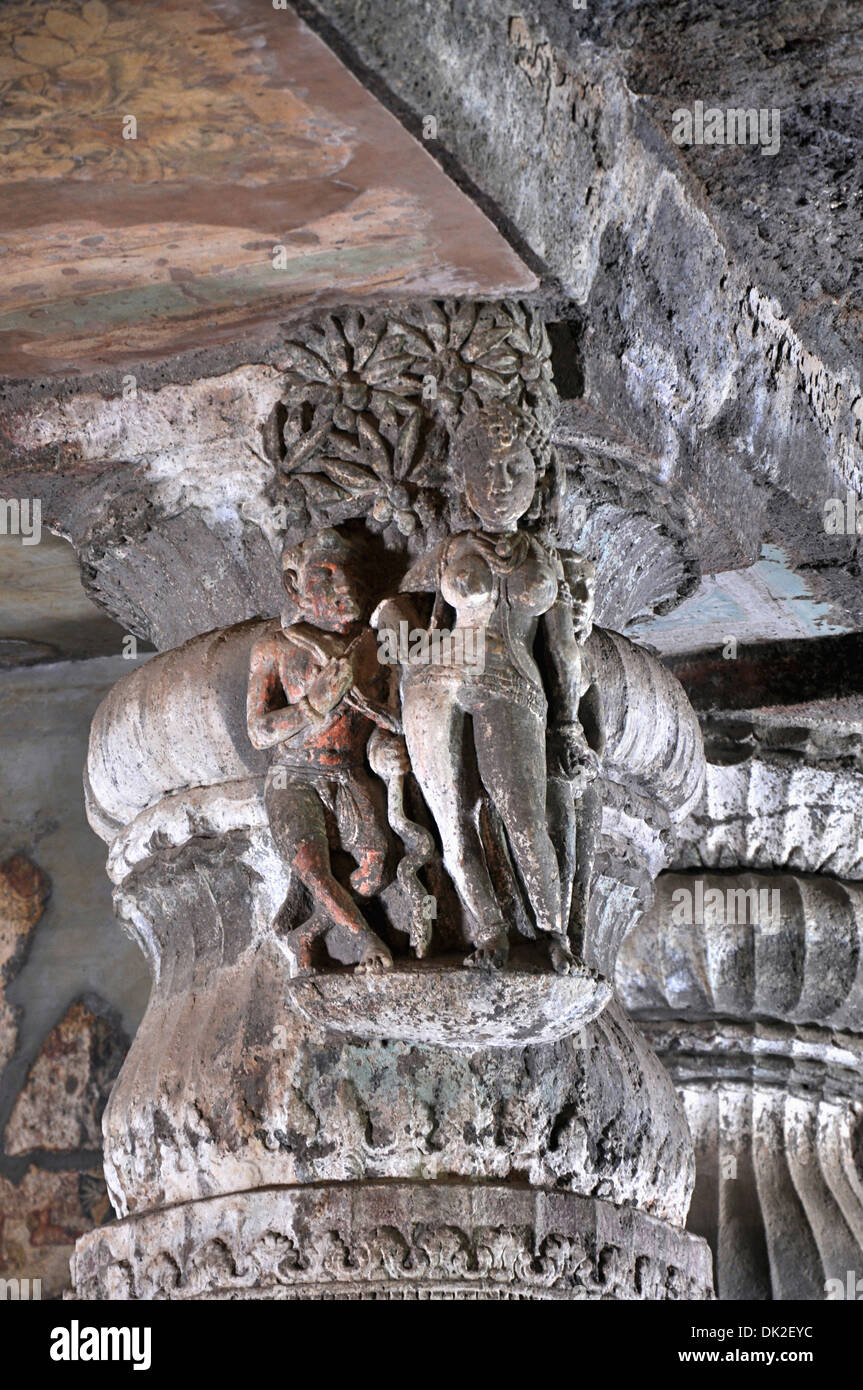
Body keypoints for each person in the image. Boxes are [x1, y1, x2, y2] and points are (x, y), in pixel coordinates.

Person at [390, 403, 594, 973]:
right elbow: (398, 606)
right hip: (438, 678)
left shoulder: (545, 559)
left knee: (522, 815)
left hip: (512, 682)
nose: (500, 486)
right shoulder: (449, 551)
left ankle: (556, 934)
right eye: (485, 471)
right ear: (463, 482)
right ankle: (489, 934)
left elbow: (563, 653)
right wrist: (395, 647)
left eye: (515, 471)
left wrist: (570, 724)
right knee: (451, 816)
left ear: (537, 478)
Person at [247, 528, 399, 974]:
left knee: (375, 872)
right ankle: (365, 940)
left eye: (352, 575)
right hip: (292, 775)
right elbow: (258, 731)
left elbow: (384, 720)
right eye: (326, 575)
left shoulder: (373, 650)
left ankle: (309, 930)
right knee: (312, 867)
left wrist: (383, 743)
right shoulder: (275, 648)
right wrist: (312, 705)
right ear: (295, 587)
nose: (344, 587)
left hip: (349, 773)